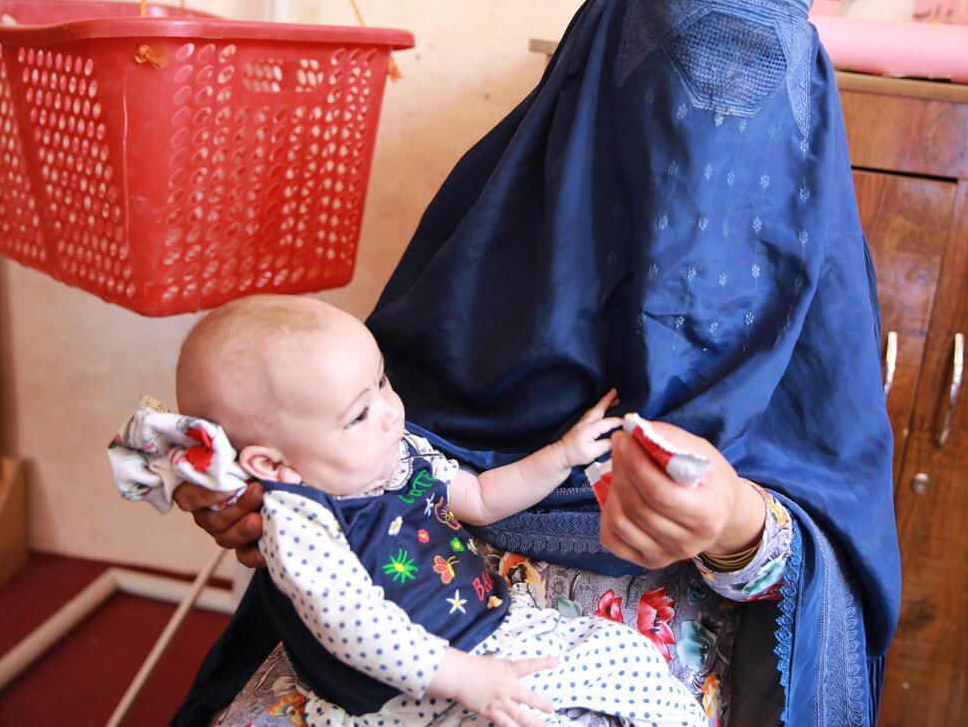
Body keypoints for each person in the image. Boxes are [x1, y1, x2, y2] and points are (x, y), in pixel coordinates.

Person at [176, 0, 900, 725]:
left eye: (755, 82)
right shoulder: (487, 247)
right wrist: (264, 493)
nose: (704, 149)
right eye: (671, 76)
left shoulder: (819, 304)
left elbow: (838, 541)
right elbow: (328, 453)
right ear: (589, 87)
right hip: (417, 616)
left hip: (660, 642)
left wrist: (735, 524)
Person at [134, 294, 703, 727]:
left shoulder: (397, 454)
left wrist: (561, 457)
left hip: (487, 629)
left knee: (622, 650)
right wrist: (469, 679)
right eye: (358, 414)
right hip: (407, 687)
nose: (390, 411)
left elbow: (480, 499)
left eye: (382, 381)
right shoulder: (300, 524)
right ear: (275, 465)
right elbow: (357, 628)